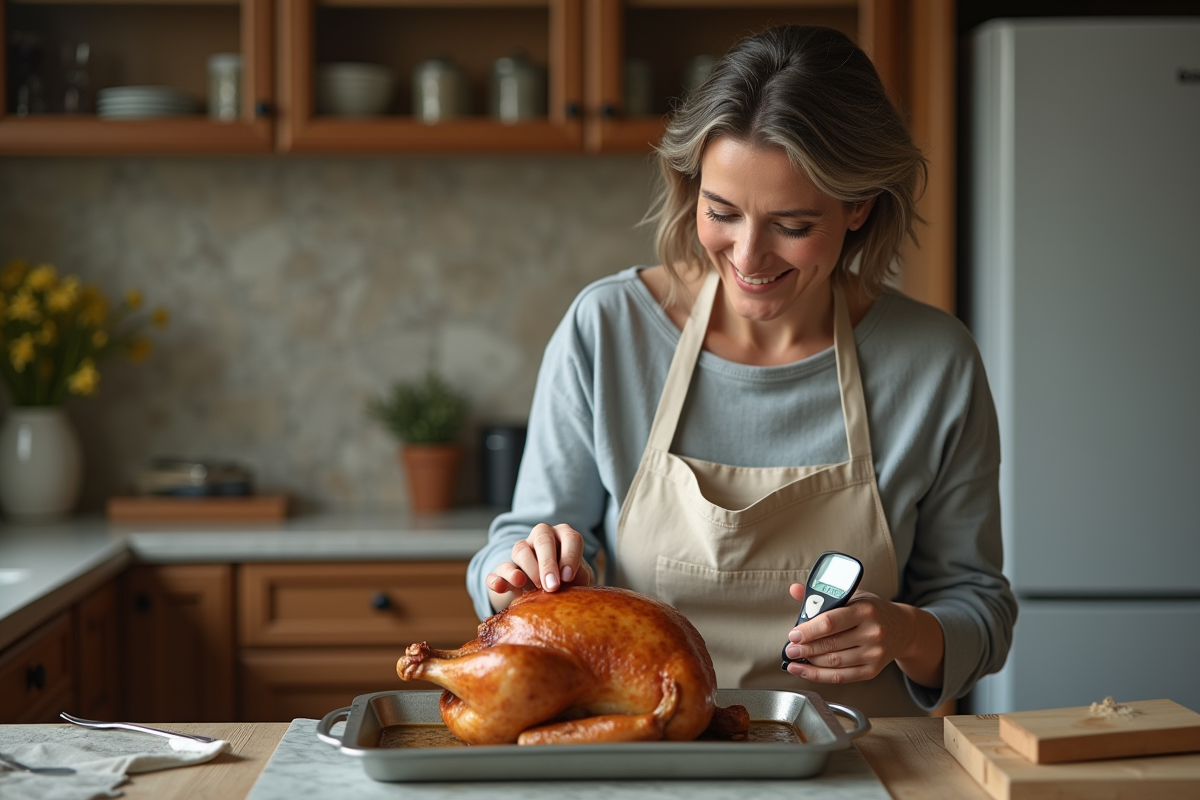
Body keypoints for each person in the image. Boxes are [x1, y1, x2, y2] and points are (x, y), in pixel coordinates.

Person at [466, 24, 1016, 717]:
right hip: (642, 756)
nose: (749, 257)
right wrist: (519, 570)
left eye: (790, 224)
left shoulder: (933, 362)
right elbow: (508, 551)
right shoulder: (607, 330)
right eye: (722, 213)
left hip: (860, 764)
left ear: (858, 207)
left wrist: (906, 632)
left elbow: (982, 609)